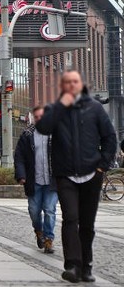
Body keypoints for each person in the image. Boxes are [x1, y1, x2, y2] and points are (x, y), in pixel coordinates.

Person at [36, 70, 117, 283]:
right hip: (66, 176)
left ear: (81, 85)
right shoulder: (55, 109)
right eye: (67, 82)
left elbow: (110, 138)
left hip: (92, 174)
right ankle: (72, 265)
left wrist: (102, 166)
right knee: (70, 218)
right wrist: (61, 105)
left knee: (87, 224)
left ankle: (87, 266)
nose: (72, 85)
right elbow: (43, 128)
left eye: (75, 81)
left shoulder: (95, 108)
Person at [14, 105, 57, 254]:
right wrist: (21, 175)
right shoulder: (27, 135)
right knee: (34, 211)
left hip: (52, 181)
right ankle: (39, 232)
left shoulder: (56, 133)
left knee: (50, 210)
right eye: (36, 117)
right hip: (34, 181)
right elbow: (19, 157)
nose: (39, 120)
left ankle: (48, 240)